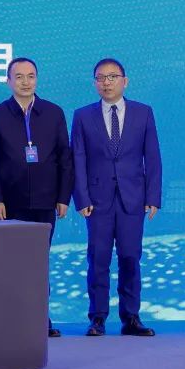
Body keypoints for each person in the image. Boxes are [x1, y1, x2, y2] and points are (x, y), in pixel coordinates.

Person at [0, 57, 73, 337]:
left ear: (37, 79)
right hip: (11, 201)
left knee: (39, 262)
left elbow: (65, 158)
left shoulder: (53, 113)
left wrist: (63, 196)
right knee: (14, 262)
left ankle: (41, 319)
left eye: (30, 76)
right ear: (8, 81)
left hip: (46, 200)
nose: (25, 82)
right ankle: (14, 319)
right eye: (18, 76)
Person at [71, 58, 162, 337]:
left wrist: (153, 196)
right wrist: (82, 198)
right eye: (101, 78)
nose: (107, 83)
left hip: (132, 199)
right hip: (97, 201)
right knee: (98, 258)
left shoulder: (143, 113)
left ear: (125, 81)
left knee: (130, 257)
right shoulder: (83, 116)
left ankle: (131, 317)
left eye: (112, 77)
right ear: (95, 83)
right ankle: (97, 318)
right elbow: (78, 159)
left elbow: (152, 157)